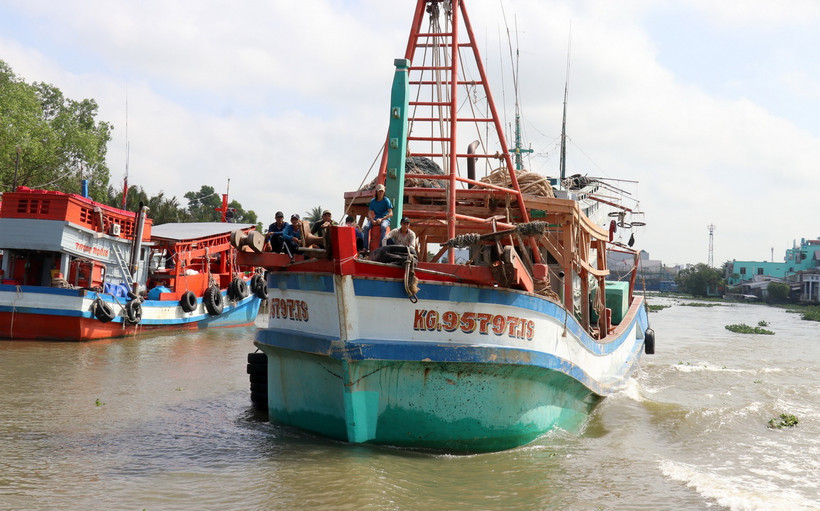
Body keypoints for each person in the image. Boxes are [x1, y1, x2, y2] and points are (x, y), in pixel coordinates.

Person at [362, 183, 392, 250]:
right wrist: (372, 220)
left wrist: (382, 219)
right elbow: (369, 213)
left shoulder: (386, 200)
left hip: (385, 219)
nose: (381, 193)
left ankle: (381, 246)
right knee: (366, 227)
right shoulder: (373, 201)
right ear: (377, 192)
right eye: (379, 191)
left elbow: (391, 213)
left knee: (383, 226)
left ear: (384, 192)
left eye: (382, 191)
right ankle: (365, 247)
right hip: (375, 218)